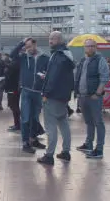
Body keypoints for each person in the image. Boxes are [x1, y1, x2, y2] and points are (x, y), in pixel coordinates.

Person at [37, 31, 75, 166]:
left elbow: (54, 77)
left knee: (50, 126)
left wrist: (46, 93)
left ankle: (49, 155)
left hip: (52, 96)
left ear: (59, 40)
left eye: (52, 38)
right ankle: (65, 152)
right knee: (63, 123)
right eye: (49, 38)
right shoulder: (67, 55)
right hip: (63, 96)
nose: (50, 41)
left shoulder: (57, 56)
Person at [11, 38, 49, 154]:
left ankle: (33, 139)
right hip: (26, 91)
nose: (28, 49)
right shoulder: (23, 57)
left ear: (35, 44)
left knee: (35, 118)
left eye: (30, 47)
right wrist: (22, 43)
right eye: (26, 47)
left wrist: (44, 76)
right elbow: (12, 54)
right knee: (26, 117)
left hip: (38, 92)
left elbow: (49, 72)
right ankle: (25, 142)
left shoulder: (45, 58)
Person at [74, 39, 110, 159]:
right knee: (88, 122)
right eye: (87, 46)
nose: (89, 48)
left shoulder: (100, 60)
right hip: (83, 96)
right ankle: (88, 144)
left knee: (98, 122)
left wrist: (98, 93)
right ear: (84, 47)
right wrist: (78, 93)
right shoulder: (83, 60)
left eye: (91, 46)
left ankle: (99, 149)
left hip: (93, 97)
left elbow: (104, 77)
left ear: (95, 47)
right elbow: (78, 76)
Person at [4, 55, 21, 132]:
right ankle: (17, 124)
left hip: (13, 89)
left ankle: (18, 125)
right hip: (12, 89)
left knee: (14, 107)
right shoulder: (14, 66)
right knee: (14, 107)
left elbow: (8, 78)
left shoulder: (13, 66)